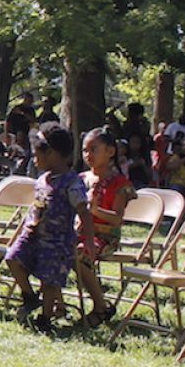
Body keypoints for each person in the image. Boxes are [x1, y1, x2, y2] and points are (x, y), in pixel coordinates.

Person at [7, 123, 95, 331]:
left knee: (50, 280)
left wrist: (89, 240)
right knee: (12, 258)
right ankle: (29, 296)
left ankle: (45, 318)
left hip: (57, 240)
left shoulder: (71, 182)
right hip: (33, 234)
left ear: (52, 154)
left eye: (38, 155)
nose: (35, 160)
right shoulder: (42, 180)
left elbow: (83, 211)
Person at [77, 127, 133, 328]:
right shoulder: (81, 179)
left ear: (110, 152)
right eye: (84, 150)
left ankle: (100, 306)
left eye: (93, 149)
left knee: (80, 254)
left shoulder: (119, 183)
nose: (87, 155)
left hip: (105, 236)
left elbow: (117, 219)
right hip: (79, 231)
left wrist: (95, 210)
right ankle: (55, 304)